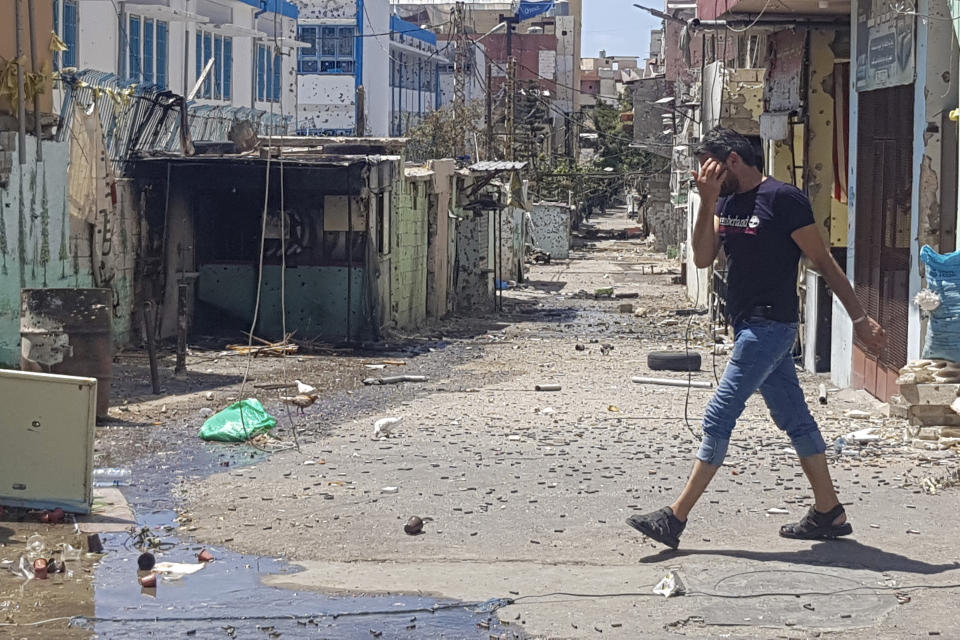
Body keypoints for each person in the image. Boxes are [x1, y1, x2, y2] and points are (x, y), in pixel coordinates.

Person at [626, 127, 886, 549]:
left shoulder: (783, 200)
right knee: (795, 420)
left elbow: (822, 261)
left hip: (771, 325)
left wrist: (859, 320)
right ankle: (830, 512)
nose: (703, 174)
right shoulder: (724, 200)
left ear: (731, 160)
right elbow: (703, 257)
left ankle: (674, 518)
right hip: (748, 324)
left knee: (718, 415)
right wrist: (707, 201)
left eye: (708, 165)